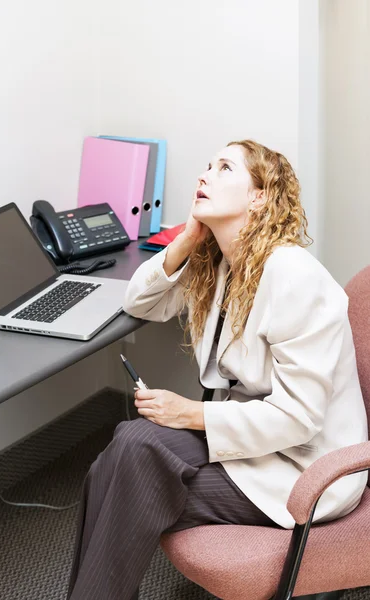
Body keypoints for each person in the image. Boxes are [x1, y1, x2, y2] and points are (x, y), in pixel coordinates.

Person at [66, 140, 368, 600]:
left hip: (305, 466)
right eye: (207, 165)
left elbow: (298, 419)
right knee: (128, 445)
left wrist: (188, 414)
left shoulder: (293, 276)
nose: (204, 175)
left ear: (259, 197)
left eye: (224, 168)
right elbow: (139, 301)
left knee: (129, 474)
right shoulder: (224, 263)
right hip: (253, 440)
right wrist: (187, 237)